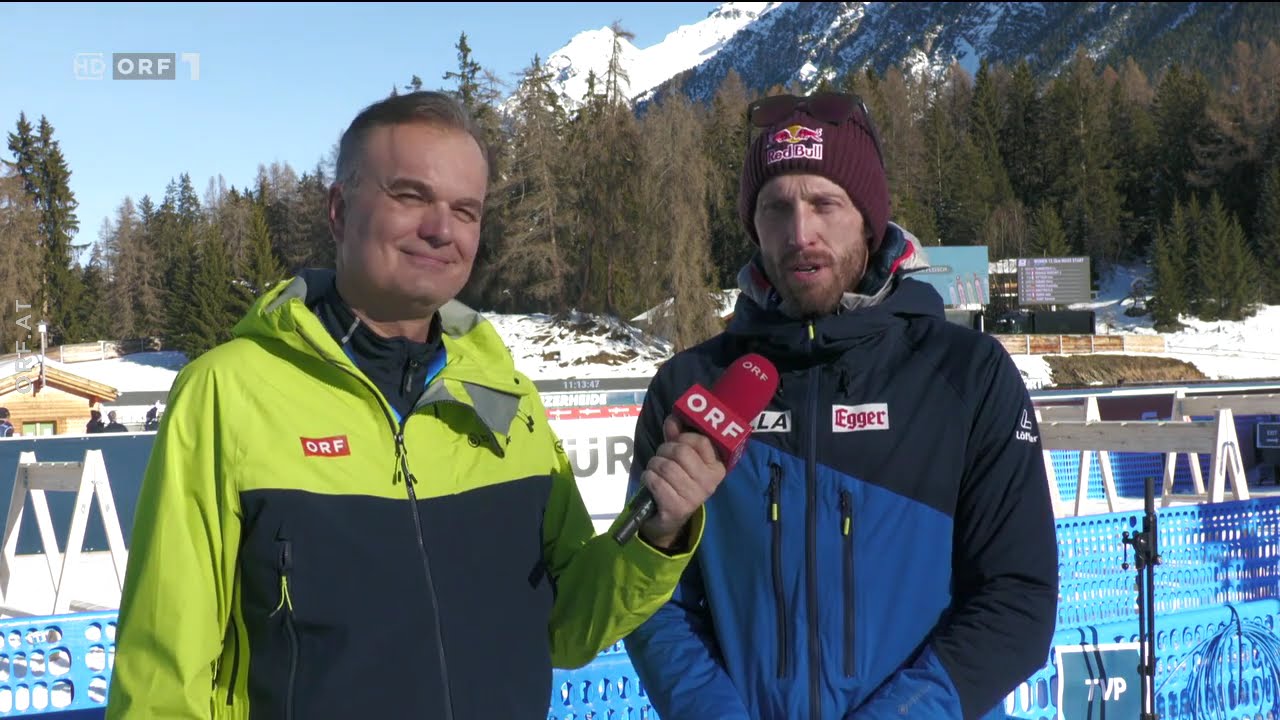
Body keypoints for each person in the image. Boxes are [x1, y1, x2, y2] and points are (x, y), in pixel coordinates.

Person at [107, 91, 727, 719]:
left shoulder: (506, 399)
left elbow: (567, 627)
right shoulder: (227, 395)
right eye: (411, 196)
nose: (441, 229)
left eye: (466, 210)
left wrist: (657, 531)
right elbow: (164, 674)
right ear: (339, 210)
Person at [622, 92, 1059, 720]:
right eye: (776, 208)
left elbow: (1017, 597)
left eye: (825, 203)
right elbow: (652, 603)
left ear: (868, 219)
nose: (801, 234)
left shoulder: (967, 375)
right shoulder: (690, 388)